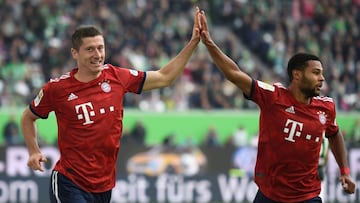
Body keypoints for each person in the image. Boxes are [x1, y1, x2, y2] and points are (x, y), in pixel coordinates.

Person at [20, 7, 201, 203]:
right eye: (90, 49)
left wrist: (193, 43)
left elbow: (165, 77)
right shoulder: (57, 89)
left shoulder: (117, 77)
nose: (97, 54)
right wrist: (34, 150)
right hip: (69, 182)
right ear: (75, 53)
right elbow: (28, 118)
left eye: (100, 48)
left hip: (104, 186)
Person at [198, 9, 356, 203]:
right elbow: (235, 74)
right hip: (269, 195)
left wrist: (345, 170)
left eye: (321, 73)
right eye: (315, 72)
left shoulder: (326, 107)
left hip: (308, 197)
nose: (322, 78)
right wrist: (209, 43)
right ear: (297, 75)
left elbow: (334, 133)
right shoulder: (273, 97)